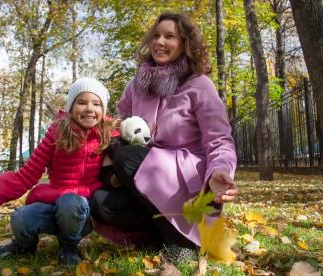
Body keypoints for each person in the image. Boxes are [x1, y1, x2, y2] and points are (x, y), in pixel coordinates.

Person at [90, 12, 238, 263]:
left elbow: (219, 140)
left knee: (126, 156)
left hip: (186, 178)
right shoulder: (137, 84)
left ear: (185, 43)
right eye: (156, 35)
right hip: (143, 171)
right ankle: (157, 236)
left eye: (170, 36)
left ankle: (183, 243)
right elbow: (118, 124)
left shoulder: (199, 85)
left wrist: (219, 172)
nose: (160, 42)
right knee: (101, 202)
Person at [0, 77, 114, 266]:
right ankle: (25, 246)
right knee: (21, 217)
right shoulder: (56, 135)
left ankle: (68, 247)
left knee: (71, 202)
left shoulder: (108, 137)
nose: (90, 108)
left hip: (83, 212)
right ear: (70, 107)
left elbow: (128, 167)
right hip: (53, 203)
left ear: (103, 110)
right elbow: (27, 174)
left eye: (96, 104)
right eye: (82, 102)